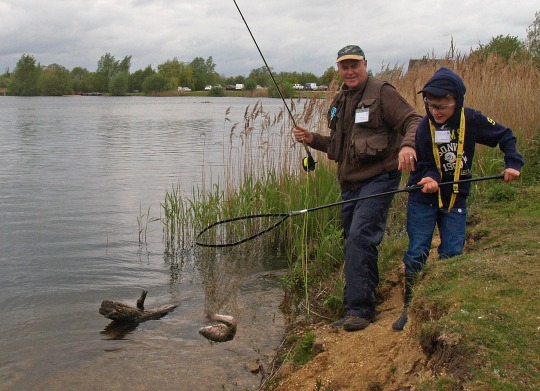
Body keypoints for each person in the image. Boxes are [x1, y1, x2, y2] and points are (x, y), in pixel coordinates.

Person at [292, 45, 422, 331]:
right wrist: (311, 138)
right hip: (350, 184)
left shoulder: (382, 93)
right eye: (344, 66)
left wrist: (408, 146)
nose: (349, 71)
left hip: (379, 179)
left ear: (365, 65)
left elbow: (414, 120)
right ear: (338, 69)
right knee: (352, 239)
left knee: (360, 237)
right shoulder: (341, 99)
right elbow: (337, 147)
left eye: (354, 65)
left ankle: (361, 310)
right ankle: (359, 302)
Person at [392, 67, 525, 331]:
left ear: (457, 101)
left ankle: (442, 302)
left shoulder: (472, 120)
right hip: (423, 198)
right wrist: (428, 179)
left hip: (456, 199)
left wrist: (513, 163)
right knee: (417, 250)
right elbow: (427, 164)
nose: (436, 111)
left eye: (442, 106)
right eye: (431, 105)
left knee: (452, 252)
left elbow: (505, 136)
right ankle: (410, 306)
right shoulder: (423, 128)